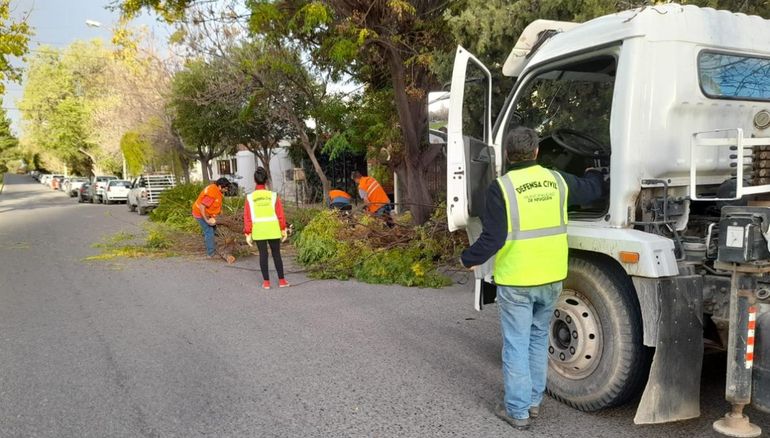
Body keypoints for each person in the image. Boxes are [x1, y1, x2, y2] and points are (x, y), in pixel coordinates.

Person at [460, 127, 604, 431]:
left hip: (517, 281)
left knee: (516, 343)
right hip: (551, 278)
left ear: (509, 155)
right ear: (536, 152)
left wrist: (468, 259)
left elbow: (493, 238)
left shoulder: (501, 188)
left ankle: (518, 410)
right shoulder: (557, 180)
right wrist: (594, 173)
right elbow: (592, 191)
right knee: (538, 339)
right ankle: (534, 402)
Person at [243, 167, 289, 289]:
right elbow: (280, 214)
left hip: (259, 230)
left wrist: (248, 233)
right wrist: (283, 229)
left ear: (254, 180)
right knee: (276, 254)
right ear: (266, 180)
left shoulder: (249, 197)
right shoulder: (273, 196)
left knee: (263, 255)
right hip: (273, 229)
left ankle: (266, 283)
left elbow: (247, 217)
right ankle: (282, 281)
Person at [192, 177, 230, 258]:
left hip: (208, 213)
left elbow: (217, 204)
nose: (226, 190)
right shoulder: (212, 193)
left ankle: (213, 244)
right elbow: (202, 206)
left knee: (214, 230)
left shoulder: (216, 190)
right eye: (225, 188)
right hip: (200, 213)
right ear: (220, 186)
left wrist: (220, 214)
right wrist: (206, 220)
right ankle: (211, 254)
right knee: (209, 231)